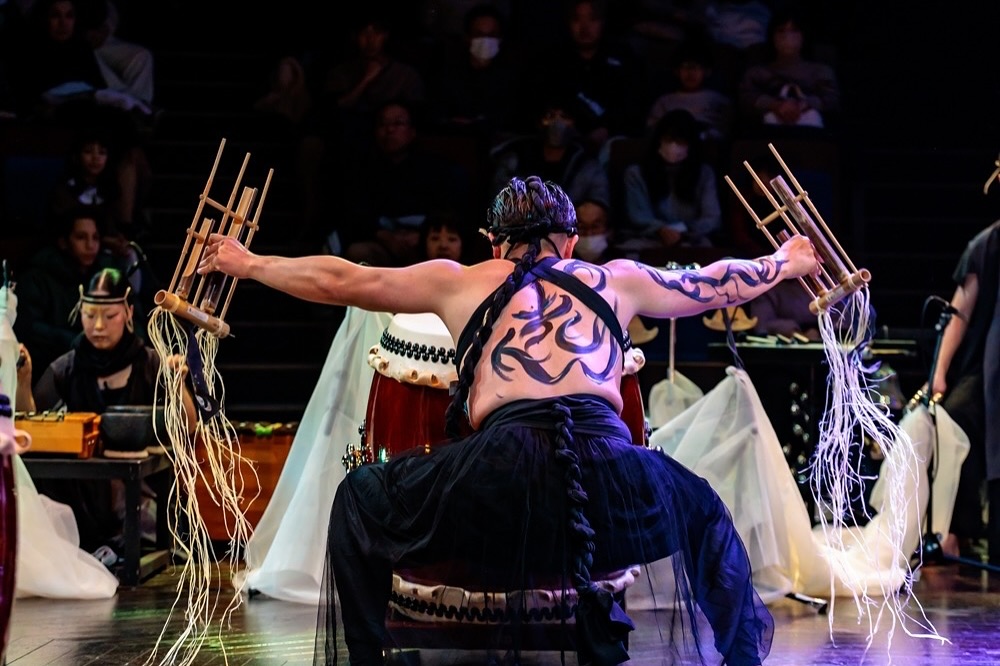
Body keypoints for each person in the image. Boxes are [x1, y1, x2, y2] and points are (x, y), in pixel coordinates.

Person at [201, 175, 820, 665]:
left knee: (360, 497)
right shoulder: (617, 280)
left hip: (496, 483)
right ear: (571, 241)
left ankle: (367, 658)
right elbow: (715, 283)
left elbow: (342, 279)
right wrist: (787, 262)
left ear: (493, 242)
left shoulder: (460, 279)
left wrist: (248, 262)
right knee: (702, 509)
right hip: (611, 484)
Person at [18, 267, 195, 560]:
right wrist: (24, 382)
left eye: (109, 316)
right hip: (83, 493)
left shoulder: (150, 363)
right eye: (89, 315)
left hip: (140, 491)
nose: (98, 325)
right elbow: (33, 425)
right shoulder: (66, 368)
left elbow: (188, 426)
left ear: (127, 312)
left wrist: (178, 386)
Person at [929, 218, 1000, 563]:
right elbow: (959, 313)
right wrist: (939, 372)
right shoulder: (986, 244)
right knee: (956, 416)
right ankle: (955, 532)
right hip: (989, 368)